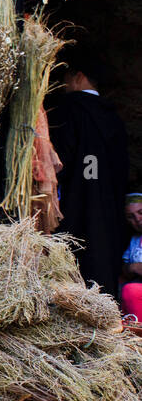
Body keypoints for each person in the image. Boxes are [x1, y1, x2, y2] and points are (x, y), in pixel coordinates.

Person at [46, 55, 129, 294]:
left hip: (75, 201)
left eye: (65, 79)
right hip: (108, 205)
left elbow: (61, 159)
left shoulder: (68, 109)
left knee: (74, 255)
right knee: (102, 257)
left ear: (78, 77)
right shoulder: (115, 119)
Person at [121, 194, 142, 318]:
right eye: (131, 217)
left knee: (131, 291)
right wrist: (133, 267)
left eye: (141, 212)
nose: (137, 219)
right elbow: (125, 270)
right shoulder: (135, 240)